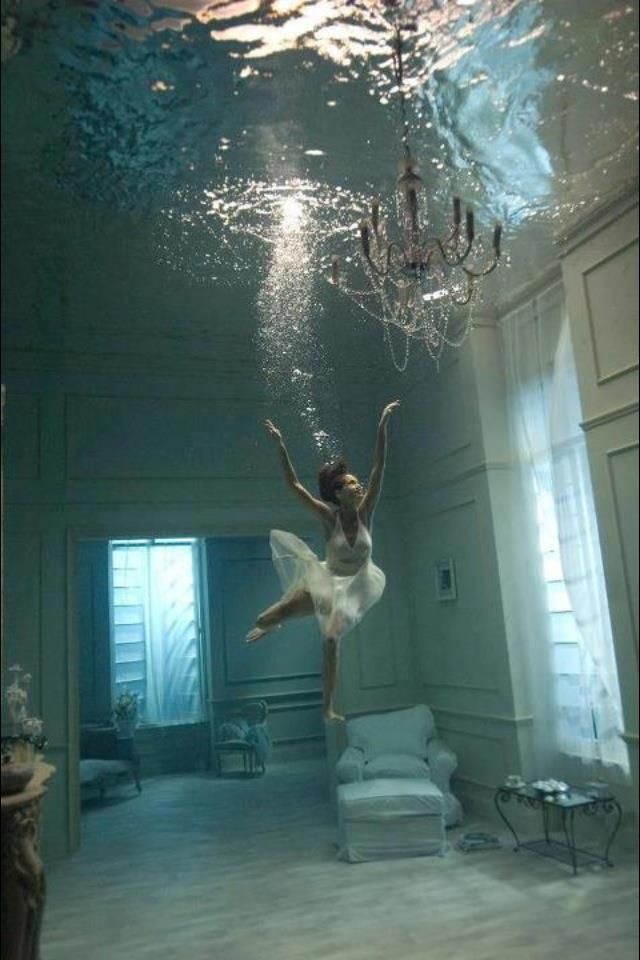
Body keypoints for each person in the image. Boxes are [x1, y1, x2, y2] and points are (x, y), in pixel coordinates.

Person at [245, 401, 400, 721]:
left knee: (330, 637)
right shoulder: (329, 518)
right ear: (339, 492)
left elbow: (378, 468)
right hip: (328, 578)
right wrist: (280, 445)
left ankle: (328, 706)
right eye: (353, 484)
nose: (361, 486)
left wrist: (383, 425)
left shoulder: (367, 510)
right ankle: (274, 625)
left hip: (359, 584)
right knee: (264, 618)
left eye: (359, 483)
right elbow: (295, 487)